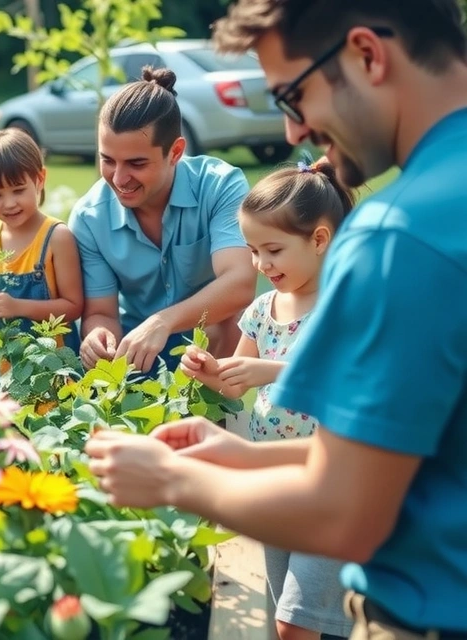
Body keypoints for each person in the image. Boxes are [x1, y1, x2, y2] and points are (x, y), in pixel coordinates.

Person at [85, 1, 467, 637]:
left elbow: (343, 512)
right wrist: (239, 455)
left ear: (368, 55)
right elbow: (409, 453)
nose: (293, 134)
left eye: (293, 97)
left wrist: (175, 481)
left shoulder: (398, 234)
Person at [182, 157, 355, 640]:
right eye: (253, 251)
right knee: (293, 616)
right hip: (273, 476)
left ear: (319, 240)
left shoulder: (345, 303)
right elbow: (237, 382)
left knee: (296, 624)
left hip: (328, 482)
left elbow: (346, 381)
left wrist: (271, 370)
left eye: (273, 250)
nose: (260, 265)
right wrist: (209, 370)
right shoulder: (262, 309)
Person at [68, 67, 257, 375]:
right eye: (107, 160)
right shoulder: (89, 217)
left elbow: (240, 283)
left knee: (229, 321)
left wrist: (162, 322)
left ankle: (216, 412)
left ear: (176, 152)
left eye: (136, 163)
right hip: (134, 346)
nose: (119, 178)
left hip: (209, 342)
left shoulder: (221, 185)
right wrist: (98, 336)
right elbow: (102, 312)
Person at [0, 128, 83, 386]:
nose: (8, 203)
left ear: (40, 179)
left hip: (52, 370)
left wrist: (18, 307)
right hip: (1, 371)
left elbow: (73, 307)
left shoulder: (56, 237)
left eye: (18, 190)